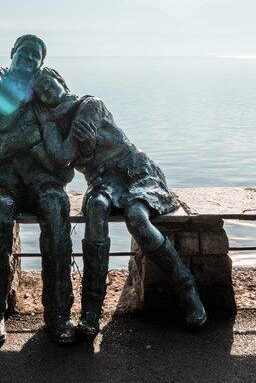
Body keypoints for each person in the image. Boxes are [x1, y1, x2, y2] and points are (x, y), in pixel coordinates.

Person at [32, 68, 207, 338]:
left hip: (135, 171)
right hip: (104, 180)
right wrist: (46, 123)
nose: (45, 91)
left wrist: (44, 121)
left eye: (48, 83)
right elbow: (59, 161)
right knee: (96, 206)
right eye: (40, 91)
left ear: (62, 81)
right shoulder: (55, 125)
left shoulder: (88, 105)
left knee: (137, 216)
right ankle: (91, 312)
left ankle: (187, 288)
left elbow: (63, 153)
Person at [0, 35, 75, 346]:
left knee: (56, 204)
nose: (29, 57)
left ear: (41, 64)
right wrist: (19, 139)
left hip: (38, 177)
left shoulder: (47, 101)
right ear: (11, 54)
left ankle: (60, 312)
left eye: (36, 55)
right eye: (24, 51)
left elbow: (66, 159)